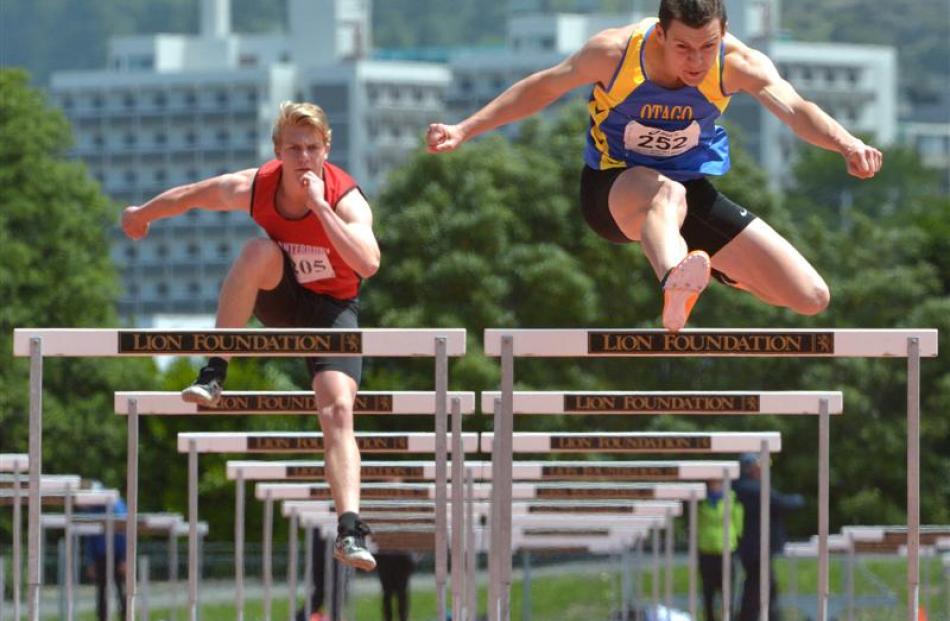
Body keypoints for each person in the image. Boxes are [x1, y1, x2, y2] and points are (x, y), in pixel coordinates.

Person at [426, 0, 882, 331]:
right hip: (614, 191)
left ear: (722, 35)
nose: (697, 62)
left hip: (690, 193)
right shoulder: (614, 53)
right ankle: (673, 283)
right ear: (660, 35)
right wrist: (466, 128)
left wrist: (847, 143)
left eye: (708, 47)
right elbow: (542, 88)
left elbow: (795, 108)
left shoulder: (737, 63)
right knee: (667, 193)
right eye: (684, 48)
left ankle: (708, 272)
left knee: (810, 297)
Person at [121, 101, 381, 571]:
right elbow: (192, 196)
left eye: (312, 148)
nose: (303, 159)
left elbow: (368, 263)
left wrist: (321, 207)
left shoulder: (346, 198)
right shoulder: (257, 186)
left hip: (334, 311)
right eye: (293, 149)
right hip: (283, 297)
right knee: (256, 251)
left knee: (338, 408)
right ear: (278, 151)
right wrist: (142, 214)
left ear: (327, 150)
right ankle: (216, 369)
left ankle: (349, 529)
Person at [733, 453, 804, 621]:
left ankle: (771, 617)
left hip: (753, 547)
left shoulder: (740, 487)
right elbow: (782, 503)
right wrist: (799, 499)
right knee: (756, 588)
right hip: (756, 547)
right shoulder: (752, 488)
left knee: (765, 587)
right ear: (750, 469)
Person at [698, 478, 743, 621]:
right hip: (707, 550)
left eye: (718, 483)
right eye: (712, 483)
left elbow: (738, 522)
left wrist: (736, 539)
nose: (715, 486)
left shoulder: (732, 499)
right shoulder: (701, 501)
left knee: (728, 592)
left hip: (726, 549)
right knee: (708, 593)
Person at [82, 498, 127, 621]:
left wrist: (125, 559)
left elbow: (125, 534)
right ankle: (102, 618)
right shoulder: (92, 511)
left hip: (117, 556)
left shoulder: (117, 507)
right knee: (102, 591)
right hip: (100, 557)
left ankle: (126, 617)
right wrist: (90, 562)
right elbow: (90, 539)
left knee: (121, 590)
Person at [375, 551, 416, 621]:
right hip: (386, 558)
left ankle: (402, 617)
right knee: (389, 594)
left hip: (400, 558)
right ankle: (390, 618)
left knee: (400, 594)